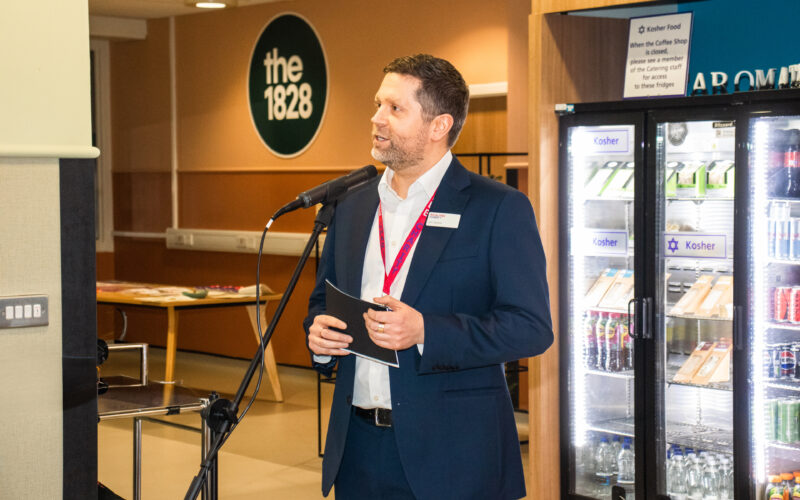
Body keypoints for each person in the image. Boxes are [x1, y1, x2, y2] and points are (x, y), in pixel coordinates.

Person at [304, 54, 553, 500]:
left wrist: (425, 331)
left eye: (395, 108)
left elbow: (530, 327)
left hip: (454, 456)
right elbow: (324, 300)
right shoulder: (352, 204)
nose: (377, 118)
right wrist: (321, 337)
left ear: (439, 125)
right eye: (378, 104)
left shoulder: (497, 207)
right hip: (357, 449)